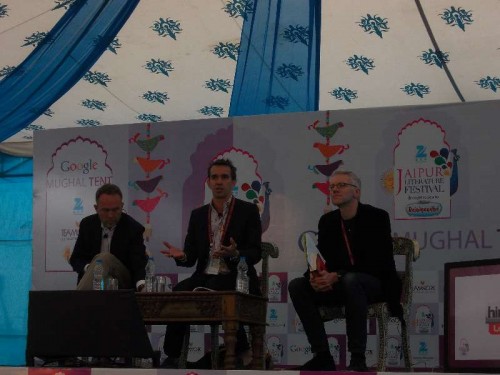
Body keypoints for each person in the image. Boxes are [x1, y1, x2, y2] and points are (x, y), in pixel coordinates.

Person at [288, 170, 402, 371]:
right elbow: (322, 258)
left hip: (374, 283)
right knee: (298, 285)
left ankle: (358, 358)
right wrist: (316, 276)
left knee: (351, 280)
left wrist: (337, 275)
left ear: (356, 192)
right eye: (332, 187)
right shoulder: (328, 221)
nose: (334, 190)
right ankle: (322, 355)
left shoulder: (377, 217)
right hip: (341, 283)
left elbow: (380, 262)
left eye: (341, 185)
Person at [160, 158, 262, 368]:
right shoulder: (198, 215)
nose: (219, 182)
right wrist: (181, 256)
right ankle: (173, 355)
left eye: (224, 177)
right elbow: (190, 257)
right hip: (204, 276)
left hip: (237, 276)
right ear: (207, 182)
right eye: (214, 177)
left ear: (233, 182)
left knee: (218, 289)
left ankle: (241, 350)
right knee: (178, 292)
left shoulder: (248, 211)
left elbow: (256, 253)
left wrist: (235, 253)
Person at [69, 183, 148, 291]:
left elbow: (138, 263)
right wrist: (92, 270)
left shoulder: (133, 228)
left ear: (122, 206)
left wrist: (141, 285)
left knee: (104, 258)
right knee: (99, 266)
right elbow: (76, 258)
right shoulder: (87, 225)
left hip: (122, 279)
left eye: (115, 210)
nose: (111, 215)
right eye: (106, 210)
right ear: (96, 208)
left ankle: (77, 301)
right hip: (95, 281)